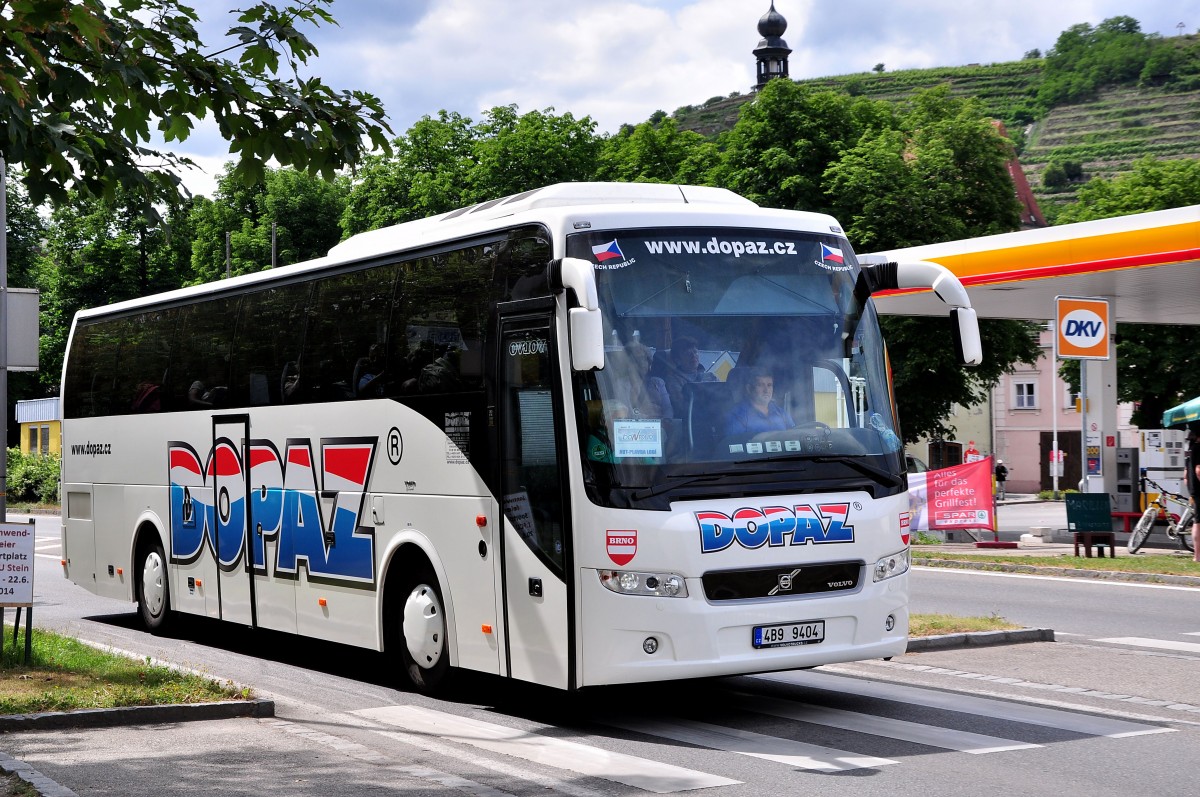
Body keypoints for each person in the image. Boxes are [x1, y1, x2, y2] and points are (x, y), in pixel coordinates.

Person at [723, 370, 794, 436]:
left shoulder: (782, 413)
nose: (766, 390)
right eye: (760, 385)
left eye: (769, 385)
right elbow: (736, 444)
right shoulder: (737, 416)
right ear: (749, 389)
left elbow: (793, 437)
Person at [660, 336, 716, 415]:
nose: (693, 356)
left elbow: (724, 399)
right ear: (677, 360)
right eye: (688, 353)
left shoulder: (711, 376)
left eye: (695, 352)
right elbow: (682, 407)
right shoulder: (673, 380)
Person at [1188, 424, 1200, 563]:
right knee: (1198, 522)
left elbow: (1185, 474)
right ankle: (1197, 556)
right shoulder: (1199, 448)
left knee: (1197, 521)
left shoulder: (1191, 449)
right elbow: (1199, 470)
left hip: (1194, 490)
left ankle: (1197, 555)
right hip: (1199, 490)